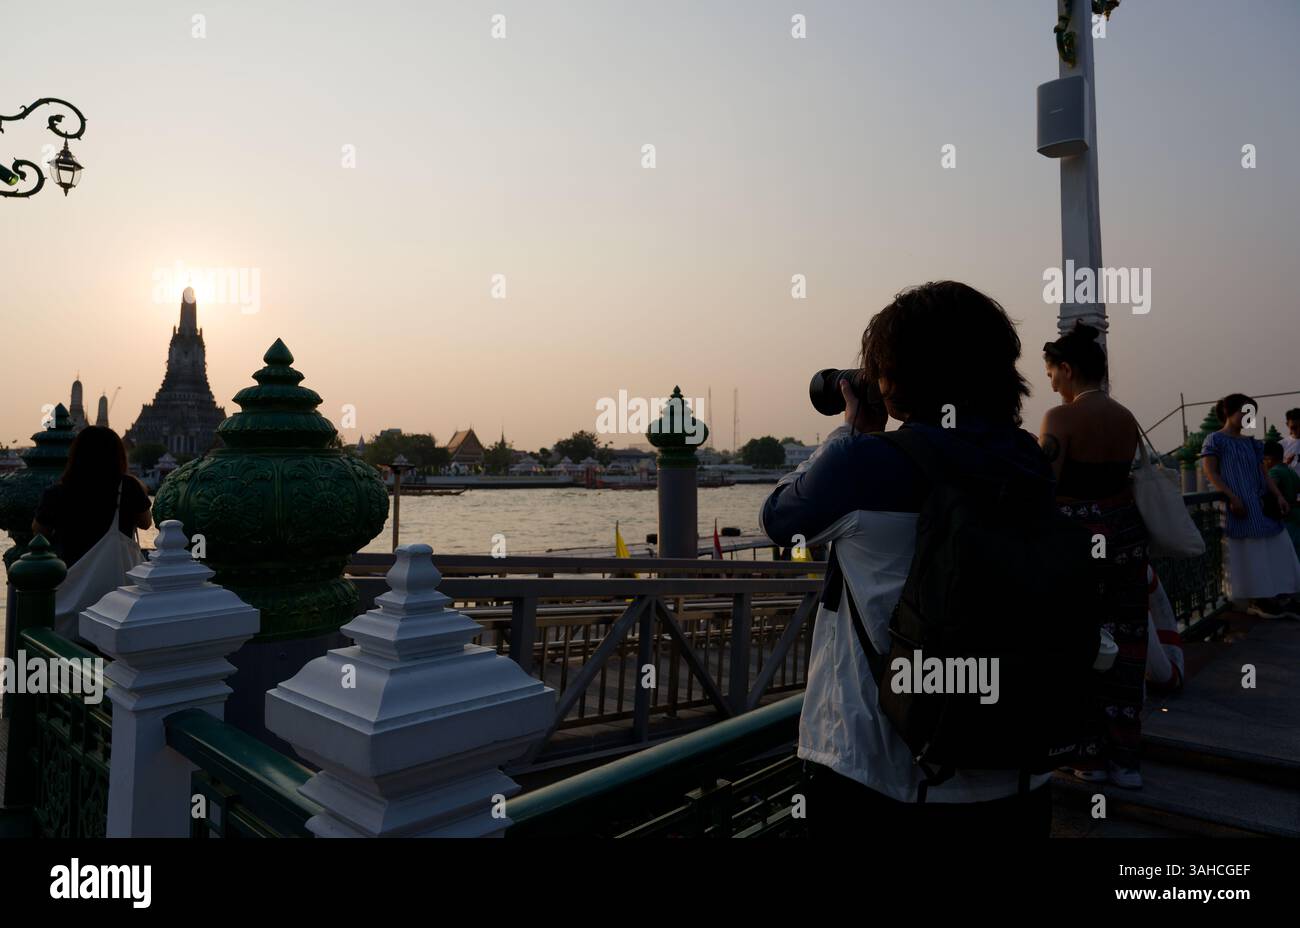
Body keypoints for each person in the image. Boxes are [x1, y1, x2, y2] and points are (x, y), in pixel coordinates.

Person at [761, 280, 1056, 838]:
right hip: (1020, 766)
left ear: (894, 379)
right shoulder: (1031, 464)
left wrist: (847, 434)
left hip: (880, 773)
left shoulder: (865, 465)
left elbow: (779, 518)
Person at [1040, 322, 1148, 789]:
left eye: (1050, 372)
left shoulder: (1059, 419)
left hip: (1079, 543)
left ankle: (1088, 757)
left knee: (1077, 643)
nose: (1049, 382)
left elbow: (1045, 487)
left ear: (1067, 369)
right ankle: (1126, 760)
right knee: (1125, 645)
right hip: (1125, 537)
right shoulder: (1127, 417)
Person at [1200, 395, 1300, 618]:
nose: (1248, 417)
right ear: (1229, 412)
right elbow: (1211, 472)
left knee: (1276, 544)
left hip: (1260, 502)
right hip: (1239, 504)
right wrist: (1232, 497)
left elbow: (1263, 473)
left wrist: (1278, 496)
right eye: (1244, 412)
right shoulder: (1214, 440)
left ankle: (1280, 593)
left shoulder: (1252, 443)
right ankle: (1258, 596)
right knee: (1249, 550)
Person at [33, 426, 152, 568]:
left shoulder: (57, 492)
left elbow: (39, 531)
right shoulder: (128, 486)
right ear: (117, 456)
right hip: (118, 575)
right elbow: (146, 523)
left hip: (72, 574)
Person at [1263, 440, 1300, 562]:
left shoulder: (1274, 472)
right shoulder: (1291, 471)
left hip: (1286, 520)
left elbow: (1269, 487)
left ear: (1269, 459)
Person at [1283, 409, 1300, 477]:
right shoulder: (1281, 445)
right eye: (1294, 428)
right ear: (1287, 424)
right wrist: (1286, 463)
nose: (1299, 430)